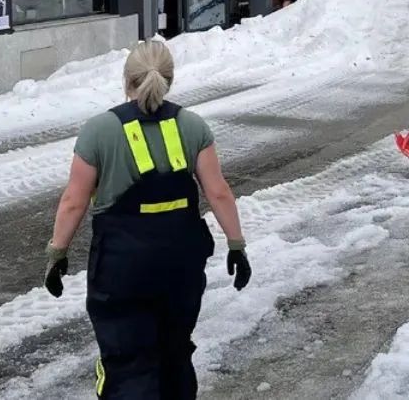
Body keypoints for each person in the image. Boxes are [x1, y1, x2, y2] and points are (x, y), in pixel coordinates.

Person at [43, 40, 252, 398]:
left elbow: (73, 202)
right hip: (180, 266)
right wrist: (236, 246)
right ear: (169, 80)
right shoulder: (193, 126)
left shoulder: (99, 131)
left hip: (122, 269)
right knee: (174, 354)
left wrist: (57, 254)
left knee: (128, 362)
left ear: (127, 81)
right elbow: (218, 192)